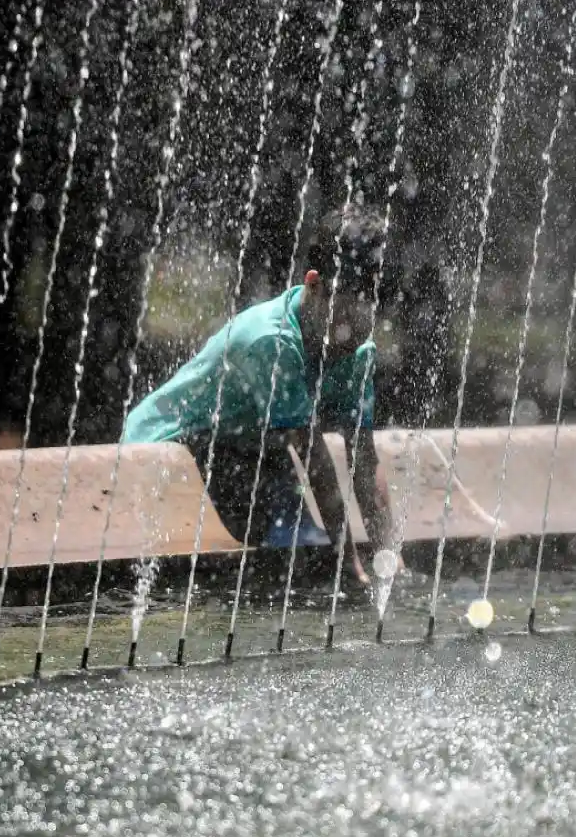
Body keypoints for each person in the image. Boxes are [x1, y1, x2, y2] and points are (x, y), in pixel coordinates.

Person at [121, 205, 399, 585]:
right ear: (314, 284)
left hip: (241, 454)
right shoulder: (273, 341)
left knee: (295, 547)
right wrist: (350, 565)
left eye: (371, 308)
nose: (358, 326)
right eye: (345, 312)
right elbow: (311, 453)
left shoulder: (358, 350)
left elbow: (363, 458)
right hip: (166, 448)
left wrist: (387, 552)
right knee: (290, 557)